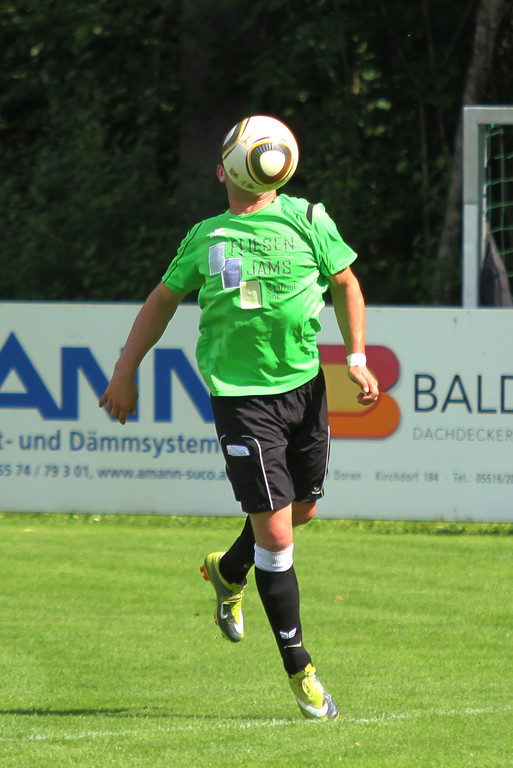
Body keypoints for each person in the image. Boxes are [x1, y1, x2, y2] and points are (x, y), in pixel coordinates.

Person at [99, 116, 379, 722]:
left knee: (301, 510)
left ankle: (227, 571)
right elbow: (162, 300)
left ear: (225, 168)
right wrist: (125, 369)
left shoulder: (309, 219)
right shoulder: (208, 236)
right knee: (277, 538)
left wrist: (355, 357)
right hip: (242, 399)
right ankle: (301, 671)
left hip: (305, 389)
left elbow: (347, 283)